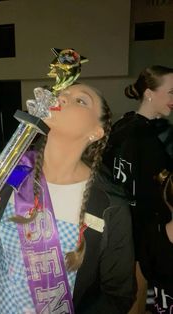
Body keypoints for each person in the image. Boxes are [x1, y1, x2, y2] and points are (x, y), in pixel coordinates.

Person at [0, 83, 136, 314]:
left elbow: (118, 294)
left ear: (96, 131)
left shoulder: (109, 206)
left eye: (80, 100)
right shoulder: (12, 171)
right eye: (62, 94)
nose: (61, 99)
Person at [102, 65, 173, 314]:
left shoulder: (126, 127)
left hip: (129, 235)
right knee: (134, 301)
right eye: (171, 92)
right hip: (140, 241)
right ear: (150, 93)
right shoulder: (142, 136)